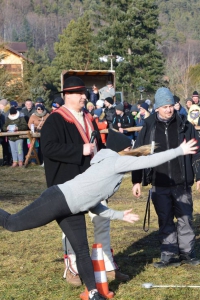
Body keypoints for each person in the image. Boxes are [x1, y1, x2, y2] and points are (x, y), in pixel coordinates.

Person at [0, 129, 199, 300]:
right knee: (12, 223)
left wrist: (120, 215)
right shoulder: (115, 162)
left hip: (74, 209)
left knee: (82, 251)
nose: (131, 151)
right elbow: (150, 159)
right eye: (129, 148)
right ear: (123, 150)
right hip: (57, 199)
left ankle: (94, 292)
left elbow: (92, 203)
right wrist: (179, 151)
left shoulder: (110, 164)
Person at [40, 76, 128, 286]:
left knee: (102, 221)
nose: (84, 96)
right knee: (72, 227)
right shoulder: (55, 119)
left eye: (84, 93)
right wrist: (80, 150)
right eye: (79, 93)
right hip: (69, 185)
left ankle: (106, 264)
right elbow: (49, 149)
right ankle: (73, 268)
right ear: (67, 96)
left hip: (94, 182)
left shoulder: (88, 117)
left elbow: (96, 143)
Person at [131, 87, 200, 268]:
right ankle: (169, 254)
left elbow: (197, 152)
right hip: (159, 181)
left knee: (185, 218)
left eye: (171, 105)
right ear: (157, 108)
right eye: (164, 106)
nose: (168, 109)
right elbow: (138, 153)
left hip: (182, 182)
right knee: (165, 219)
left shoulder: (185, 125)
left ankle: (188, 253)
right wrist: (136, 180)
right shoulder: (148, 127)